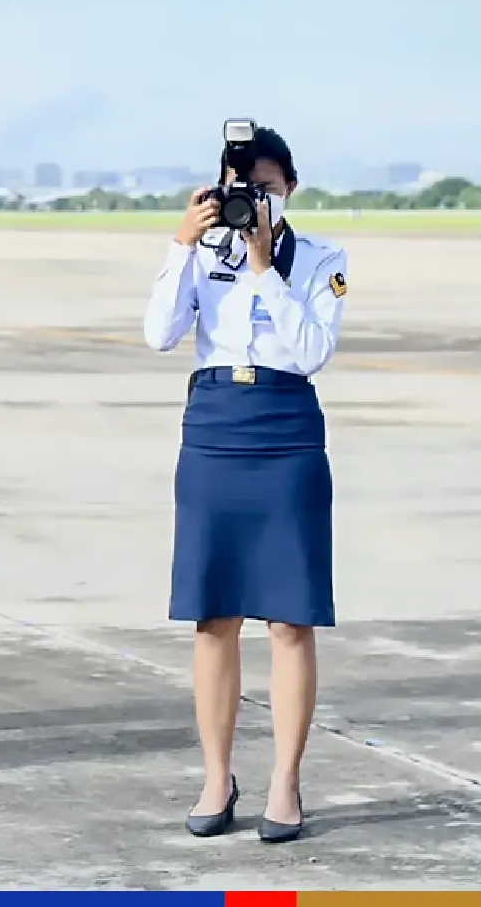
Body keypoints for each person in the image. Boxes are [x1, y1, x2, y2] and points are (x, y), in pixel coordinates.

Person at [142, 124, 348, 845]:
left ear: (290, 186)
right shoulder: (202, 254)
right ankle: (216, 776)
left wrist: (264, 269)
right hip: (215, 428)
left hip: (286, 429)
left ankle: (286, 781)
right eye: (243, 188)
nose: (255, 199)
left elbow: (311, 351)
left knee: (291, 620)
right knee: (215, 616)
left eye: (266, 187)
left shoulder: (320, 259)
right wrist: (181, 246)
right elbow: (158, 334)